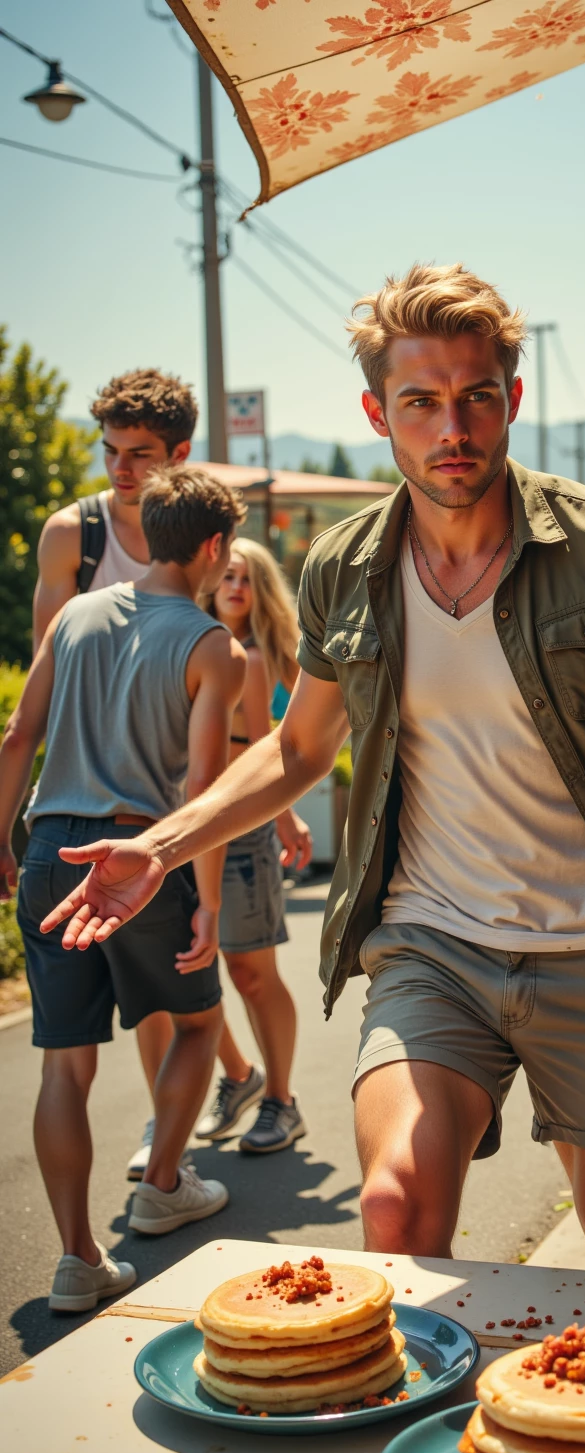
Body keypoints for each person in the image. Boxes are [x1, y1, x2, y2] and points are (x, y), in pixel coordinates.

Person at [40, 263, 585, 1281]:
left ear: (511, 399)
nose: (452, 428)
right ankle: (436, 1441)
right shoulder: (347, 566)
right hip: (433, 947)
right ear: (380, 413)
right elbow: (298, 749)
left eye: (475, 398)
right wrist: (160, 847)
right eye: (421, 403)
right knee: (394, 1209)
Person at [0, 467, 247, 1311]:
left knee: (64, 1066)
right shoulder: (215, 646)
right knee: (200, 1024)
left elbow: (18, 733)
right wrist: (207, 902)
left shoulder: (72, 614)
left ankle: (77, 1260)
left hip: (49, 854)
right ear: (214, 547)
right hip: (138, 862)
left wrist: (6, 839)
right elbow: (204, 797)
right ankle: (164, 1182)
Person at [32, 369, 196, 1182]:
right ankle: (169, 1162)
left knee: (173, 1000)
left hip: (168, 812)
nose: (121, 470)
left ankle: (169, 1139)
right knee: (172, 1002)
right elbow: (41, 687)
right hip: (92, 812)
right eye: (110, 452)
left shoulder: (197, 536)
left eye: (139, 454)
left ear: (179, 455)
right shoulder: (76, 535)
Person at [193, 539, 312, 1152]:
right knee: (186, 977)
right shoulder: (189, 644)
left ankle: (280, 1100)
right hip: (181, 834)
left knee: (251, 972)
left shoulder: (263, 657)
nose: (235, 585)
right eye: (227, 575)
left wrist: (286, 818)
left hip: (243, 832)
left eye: (247, 577)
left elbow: (268, 752)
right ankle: (239, 1076)